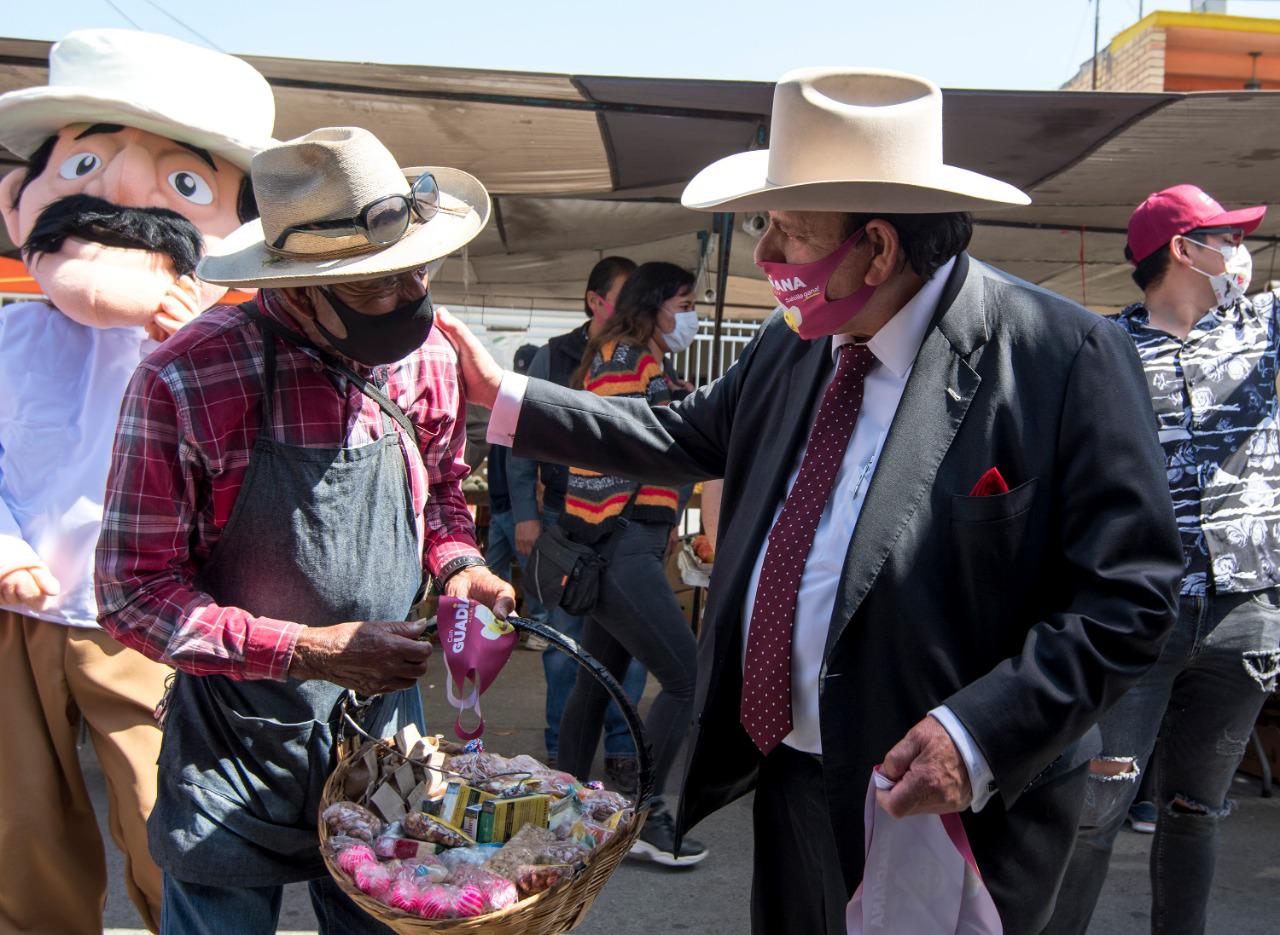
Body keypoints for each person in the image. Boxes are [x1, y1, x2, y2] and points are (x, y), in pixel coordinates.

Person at [438, 67, 1184, 934]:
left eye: (787, 231)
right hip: (792, 776)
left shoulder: (1060, 356)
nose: (765, 256)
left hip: (952, 805)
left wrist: (977, 735)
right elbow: (679, 436)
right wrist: (504, 396)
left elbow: (1131, 596)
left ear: (877, 244)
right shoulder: (795, 343)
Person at [94, 126, 514, 934]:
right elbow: (131, 593)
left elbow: (447, 499)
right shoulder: (186, 377)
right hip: (233, 735)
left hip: (382, 728)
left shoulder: (425, 358)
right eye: (371, 286)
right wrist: (309, 649)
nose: (406, 298)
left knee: (379, 918)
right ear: (296, 282)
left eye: (414, 272)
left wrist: (461, 562)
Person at [0, 29, 275, 934]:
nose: (122, 197)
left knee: (171, 826)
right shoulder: (9, 336)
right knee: (21, 832)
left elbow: (257, 476)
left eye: (183, 184)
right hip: (17, 616)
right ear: (18, 195)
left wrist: (196, 350)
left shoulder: (238, 345)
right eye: (84, 163)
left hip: (152, 620)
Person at [1046, 185, 1280, 935]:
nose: (1241, 254)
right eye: (1227, 237)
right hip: (1136, 616)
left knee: (1196, 812)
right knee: (1093, 810)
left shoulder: (1264, 328)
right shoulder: (1100, 350)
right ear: (1185, 249)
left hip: (1246, 615)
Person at [548, 261, 707, 866]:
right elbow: (620, 436)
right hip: (619, 544)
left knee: (595, 684)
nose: (690, 313)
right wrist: (682, 414)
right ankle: (646, 814)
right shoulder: (626, 357)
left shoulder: (639, 361)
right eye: (685, 301)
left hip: (620, 543)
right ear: (656, 304)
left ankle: (564, 809)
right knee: (689, 679)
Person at [509, 256, 648, 790]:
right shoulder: (556, 355)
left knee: (627, 644)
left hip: (627, 524)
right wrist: (525, 514)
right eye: (625, 295)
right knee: (564, 645)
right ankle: (560, 750)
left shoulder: (644, 360)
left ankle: (621, 749)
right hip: (562, 520)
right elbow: (522, 438)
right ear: (595, 301)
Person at [485, 343, 550, 626]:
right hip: (499, 502)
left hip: (517, 507)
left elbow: (529, 466)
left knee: (529, 567)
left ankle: (539, 624)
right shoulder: (508, 402)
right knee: (491, 569)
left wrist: (528, 512)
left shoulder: (539, 409)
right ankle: (496, 620)